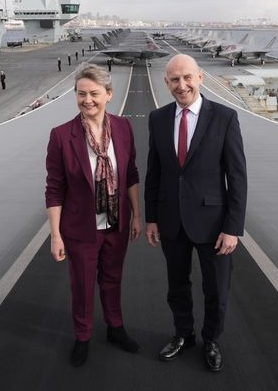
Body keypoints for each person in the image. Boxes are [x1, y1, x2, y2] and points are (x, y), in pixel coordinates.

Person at [145, 54, 247, 373]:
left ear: (200, 77)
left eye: (187, 77)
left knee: (216, 289)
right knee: (177, 285)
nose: (182, 85)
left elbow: (237, 176)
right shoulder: (157, 118)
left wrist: (233, 227)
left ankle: (211, 339)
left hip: (214, 224)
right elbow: (154, 172)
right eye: (175, 79)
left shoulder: (225, 117)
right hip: (171, 220)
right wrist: (151, 218)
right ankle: (183, 334)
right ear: (166, 83)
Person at [45, 62, 142, 368]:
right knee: (83, 285)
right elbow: (54, 189)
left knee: (113, 279)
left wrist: (136, 215)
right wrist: (56, 235)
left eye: (94, 93)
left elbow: (130, 174)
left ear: (108, 94)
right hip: (81, 229)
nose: (87, 100)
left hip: (116, 223)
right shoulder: (61, 136)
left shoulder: (123, 128)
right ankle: (83, 336)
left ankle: (115, 327)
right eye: (81, 94)